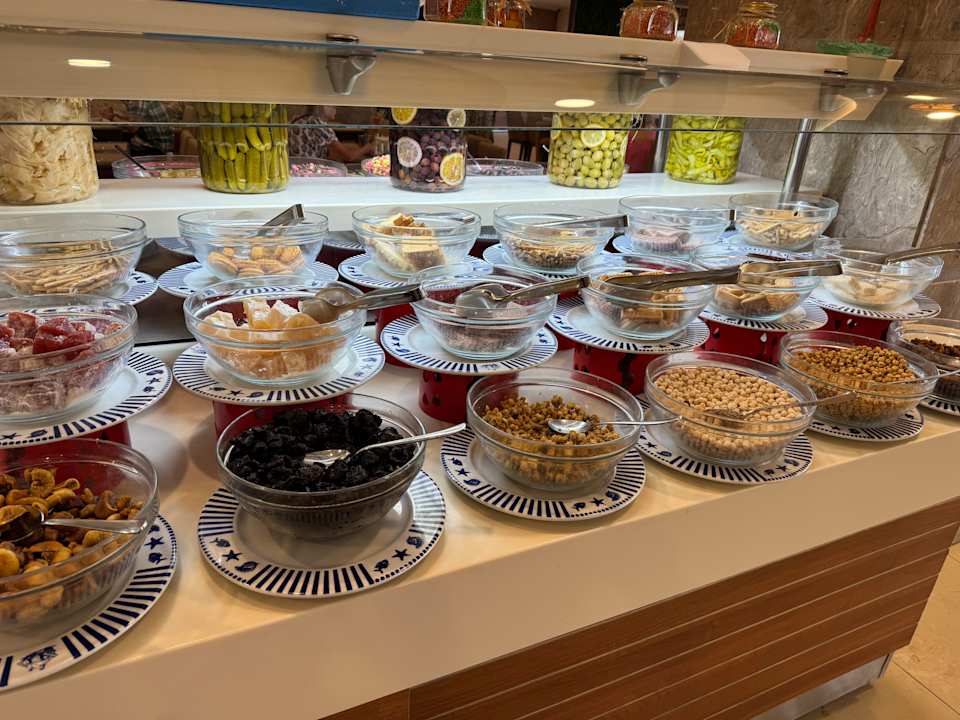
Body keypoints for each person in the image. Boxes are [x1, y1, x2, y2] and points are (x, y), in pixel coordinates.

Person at [288, 106, 374, 163]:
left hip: (294, 168)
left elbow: (326, 150)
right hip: (309, 171)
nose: (336, 109)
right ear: (324, 107)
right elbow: (349, 156)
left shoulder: (299, 118)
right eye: (333, 106)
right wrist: (368, 147)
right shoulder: (318, 124)